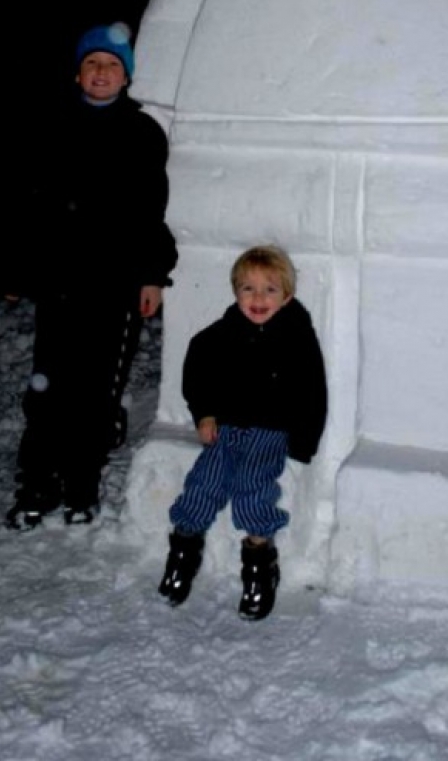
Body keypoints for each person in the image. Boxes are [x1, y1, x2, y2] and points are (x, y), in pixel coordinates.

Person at [6, 23, 177, 529]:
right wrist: (18, 264)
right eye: (92, 64)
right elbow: (29, 204)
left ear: (126, 77)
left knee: (96, 390)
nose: (101, 73)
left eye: (112, 65)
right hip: (61, 282)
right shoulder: (53, 125)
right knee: (48, 388)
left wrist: (151, 275)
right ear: (77, 72)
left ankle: (82, 483)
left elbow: (151, 209)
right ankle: (38, 483)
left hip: (116, 285)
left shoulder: (141, 133)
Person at [158, 245, 327, 620]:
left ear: (287, 295)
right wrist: (204, 414)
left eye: (270, 289)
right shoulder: (222, 333)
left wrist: (303, 441)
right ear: (236, 292)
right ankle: (182, 555)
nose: (258, 298)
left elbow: (313, 390)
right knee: (201, 486)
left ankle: (259, 568)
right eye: (248, 288)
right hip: (227, 429)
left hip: (269, 433)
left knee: (252, 490)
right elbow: (197, 367)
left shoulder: (297, 337)